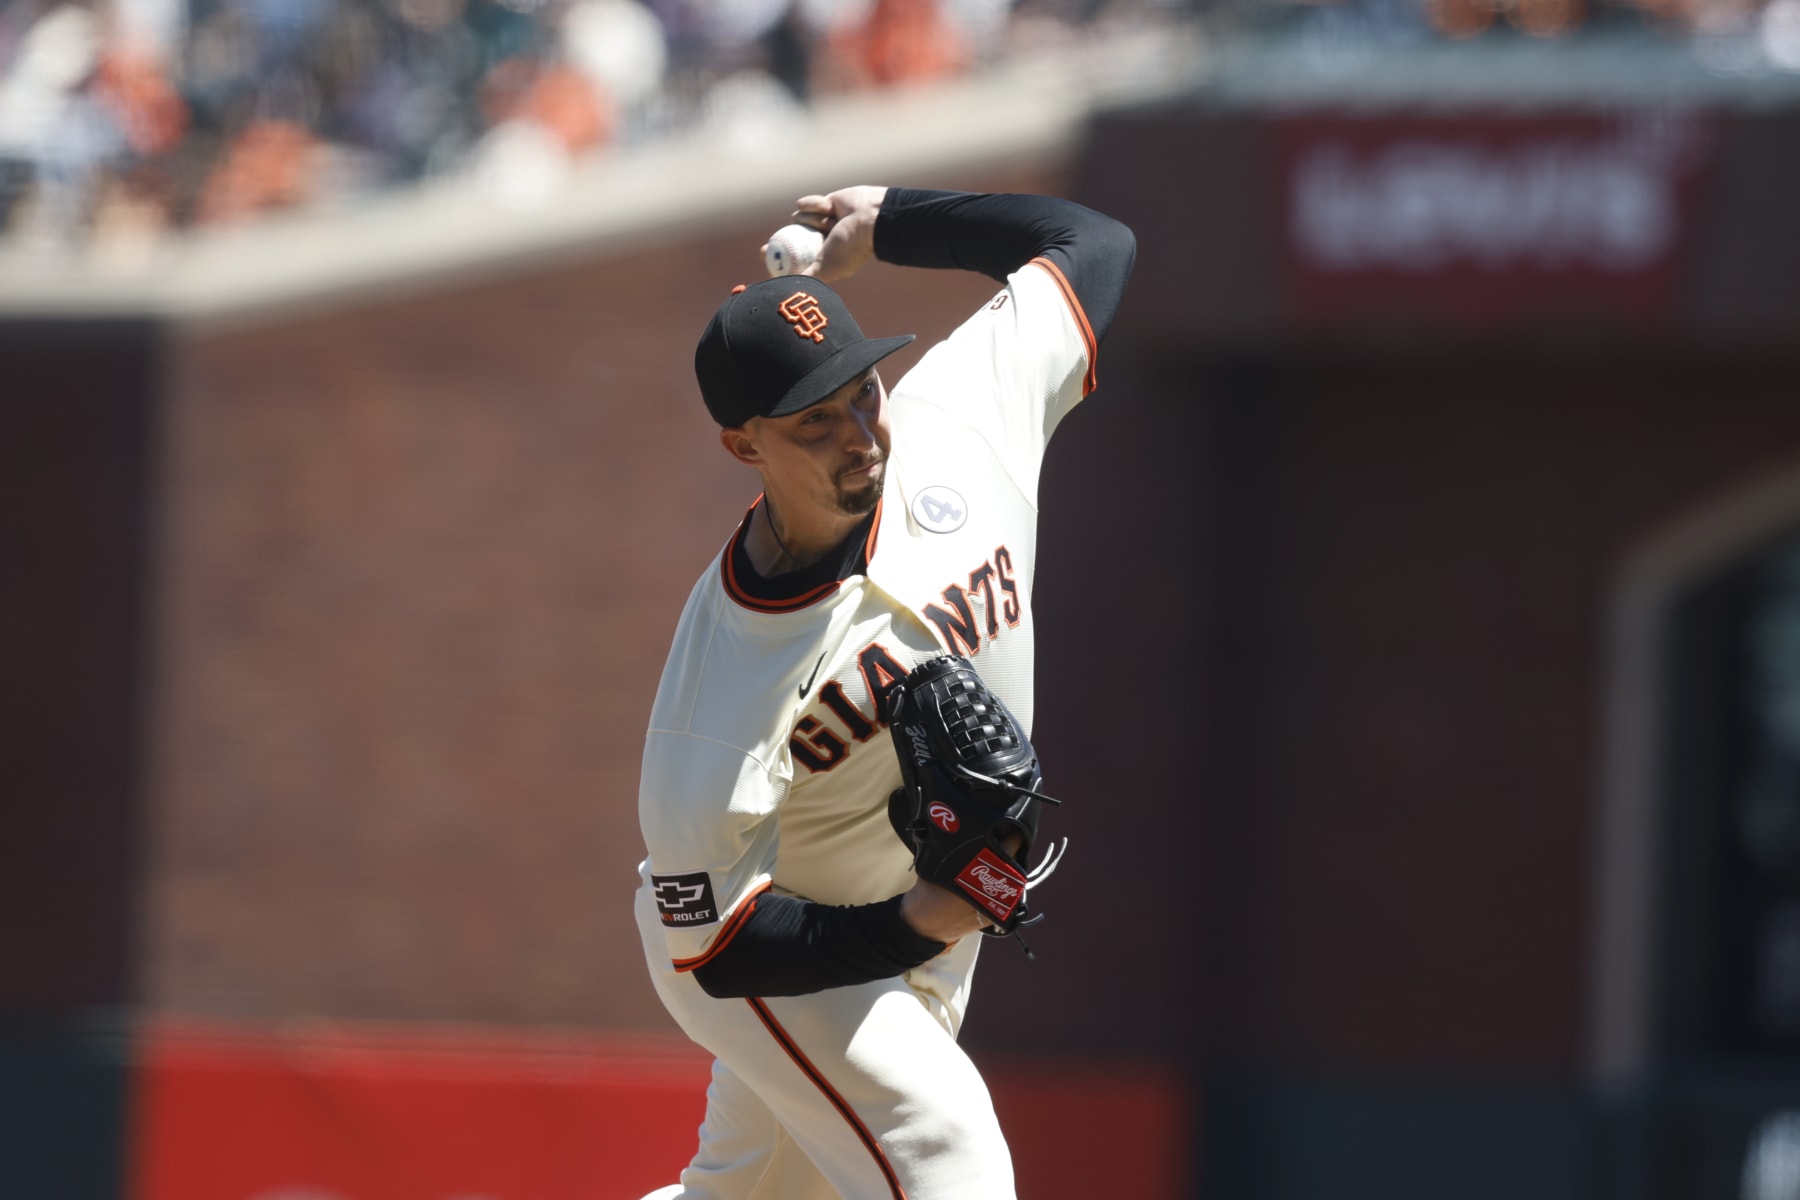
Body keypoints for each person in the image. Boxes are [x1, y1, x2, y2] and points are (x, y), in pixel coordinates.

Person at [633, 184, 1135, 1199]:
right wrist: (918, 921)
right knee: (948, 1150)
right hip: (761, 953)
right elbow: (716, 949)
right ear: (745, 446)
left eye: (863, 389)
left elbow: (1093, 242)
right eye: (816, 421)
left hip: (916, 922)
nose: (860, 430)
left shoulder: (956, 417)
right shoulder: (719, 695)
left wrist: (890, 221)